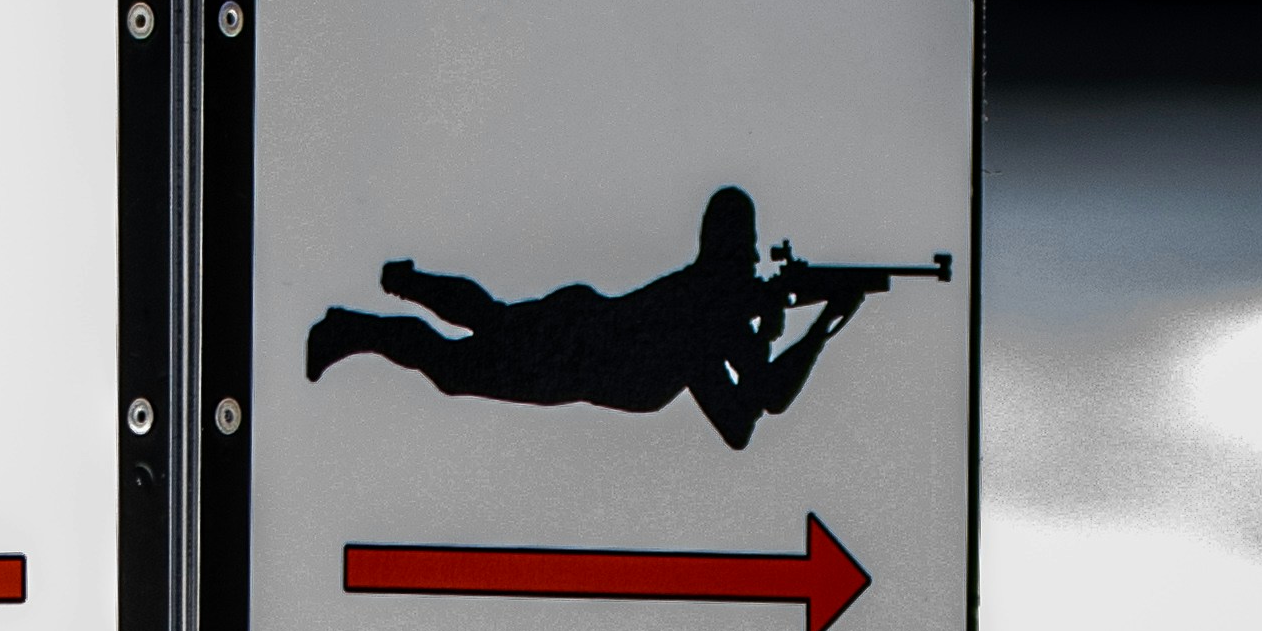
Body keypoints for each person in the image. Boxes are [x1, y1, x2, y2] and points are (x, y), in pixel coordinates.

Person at [300, 185, 856, 452]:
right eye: (747, 247)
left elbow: (748, 408)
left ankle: (398, 291)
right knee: (456, 363)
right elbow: (750, 413)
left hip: (578, 335)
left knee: (489, 323)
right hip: (574, 351)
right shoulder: (708, 311)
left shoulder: (715, 304)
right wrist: (822, 327)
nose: (751, 261)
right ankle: (356, 324)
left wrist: (772, 330)